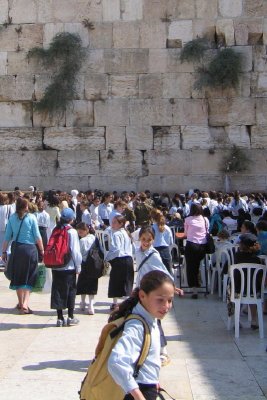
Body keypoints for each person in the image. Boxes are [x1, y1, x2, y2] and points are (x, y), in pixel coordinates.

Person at [108, 270, 175, 400]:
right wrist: (139, 396)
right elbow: (116, 361)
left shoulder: (151, 317)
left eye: (170, 300)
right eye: (160, 300)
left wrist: (153, 379)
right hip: (141, 392)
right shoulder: (137, 326)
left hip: (148, 387)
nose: (166, 306)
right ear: (143, 296)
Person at [2, 197, 44, 314]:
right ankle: (26, 303)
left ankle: (20, 303)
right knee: (30, 276)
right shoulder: (31, 218)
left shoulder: (12, 218)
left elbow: (7, 238)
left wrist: (4, 252)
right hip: (30, 249)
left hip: (16, 249)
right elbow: (37, 236)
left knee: (19, 277)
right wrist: (42, 250)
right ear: (26, 207)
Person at [50, 208, 82, 326]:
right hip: (68, 267)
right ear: (71, 219)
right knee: (70, 291)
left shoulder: (56, 229)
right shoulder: (71, 231)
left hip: (56, 265)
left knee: (58, 291)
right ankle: (70, 316)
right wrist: (78, 266)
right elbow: (75, 251)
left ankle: (59, 318)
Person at [228, 233, 262, 329]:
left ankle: (236, 319)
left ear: (241, 245)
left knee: (231, 289)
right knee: (252, 292)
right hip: (253, 291)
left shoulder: (236, 256)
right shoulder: (258, 260)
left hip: (237, 290)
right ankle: (254, 320)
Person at [105, 215, 134, 310]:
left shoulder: (116, 234)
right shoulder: (126, 233)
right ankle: (128, 304)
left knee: (115, 282)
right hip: (129, 259)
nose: (112, 224)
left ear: (121, 224)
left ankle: (115, 303)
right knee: (127, 282)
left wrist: (107, 258)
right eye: (112, 222)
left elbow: (116, 249)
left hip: (119, 259)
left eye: (114, 222)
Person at [184, 203, 208, 299]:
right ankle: (200, 282)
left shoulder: (188, 220)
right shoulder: (205, 219)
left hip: (192, 245)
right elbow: (207, 231)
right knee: (197, 266)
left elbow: (185, 234)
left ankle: (194, 289)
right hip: (202, 247)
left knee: (191, 268)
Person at [76, 222, 97, 314]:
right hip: (94, 265)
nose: (80, 231)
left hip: (84, 264)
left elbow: (78, 254)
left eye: (82, 229)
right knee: (92, 286)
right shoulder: (94, 238)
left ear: (87, 230)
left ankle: (83, 303)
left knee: (82, 285)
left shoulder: (81, 241)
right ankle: (91, 305)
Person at [150, 209, 173, 273]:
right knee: (167, 273)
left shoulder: (151, 228)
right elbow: (171, 242)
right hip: (165, 251)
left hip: (154, 251)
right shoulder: (167, 228)